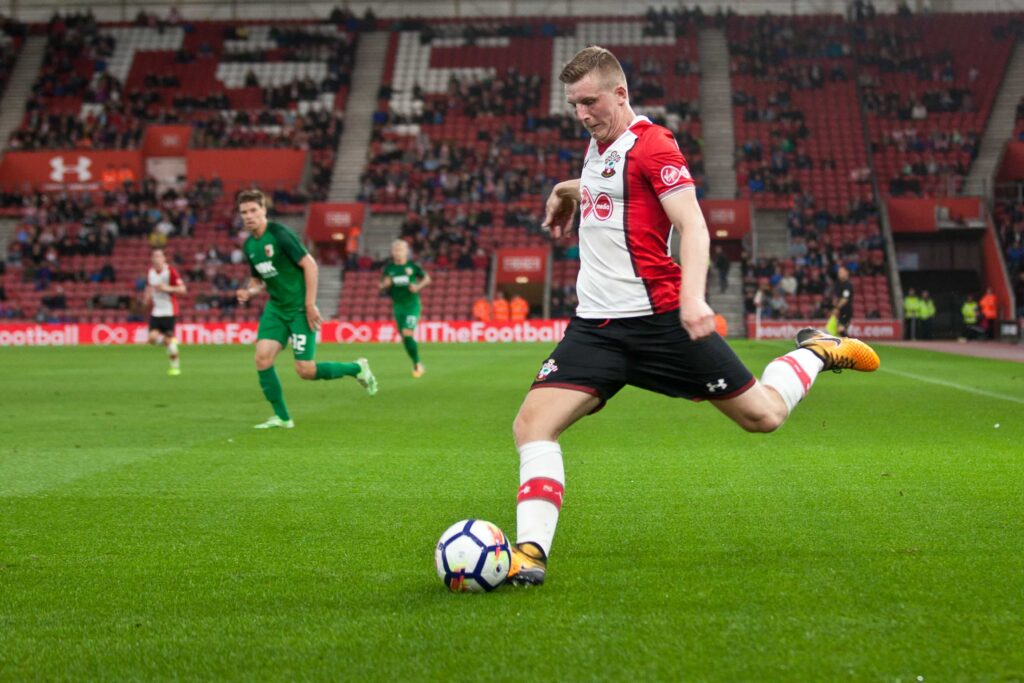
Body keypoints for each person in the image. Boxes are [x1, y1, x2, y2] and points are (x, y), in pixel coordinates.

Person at [505, 46, 880, 587]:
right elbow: (616, 189)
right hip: (596, 329)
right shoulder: (599, 143)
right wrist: (572, 190)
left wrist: (695, 297)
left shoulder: (654, 144)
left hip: (662, 321)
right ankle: (530, 556)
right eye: (573, 106)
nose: (582, 115)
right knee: (532, 424)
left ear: (620, 94)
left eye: (590, 102)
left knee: (763, 417)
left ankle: (815, 351)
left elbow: (694, 224)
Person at [235, 189, 377, 430]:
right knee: (262, 358)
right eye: (244, 212)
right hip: (277, 308)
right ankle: (282, 417)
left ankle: (357, 368)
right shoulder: (250, 245)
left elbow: (310, 265)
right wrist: (249, 291)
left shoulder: (279, 235)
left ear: (264, 211)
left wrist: (309, 304)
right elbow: (258, 279)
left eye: (253, 211)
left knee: (306, 370)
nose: (249, 216)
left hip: (300, 309)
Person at [380, 239, 431, 378]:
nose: (398, 253)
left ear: (406, 252)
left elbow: (427, 278)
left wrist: (418, 287)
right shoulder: (389, 269)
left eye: (401, 250)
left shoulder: (412, 266)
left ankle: (417, 363)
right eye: (396, 250)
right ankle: (417, 362)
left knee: (407, 332)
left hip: (412, 305)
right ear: (392, 252)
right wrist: (386, 284)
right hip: (398, 307)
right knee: (405, 338)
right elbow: (382, 285)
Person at [143, 248, 186, 376]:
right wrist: (147, 297)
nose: (156, 258)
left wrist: (167, 288)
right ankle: (170, 342)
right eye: (154, 256)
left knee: (168, 341)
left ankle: (175, 367)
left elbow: (183, 289)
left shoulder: (170, 272)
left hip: (169, 311)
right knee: (151, 339)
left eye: (159, 256)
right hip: (156, 311)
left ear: (164, 258)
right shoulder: (150, 272)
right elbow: (150, 288)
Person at [831, 266, 854, 336]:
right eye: (839, 272)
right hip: (841, 311)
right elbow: (836, 297)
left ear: (846, 273)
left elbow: (845, 299)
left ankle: (851, 344)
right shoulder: (838, 284)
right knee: (841, 330)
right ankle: (850, 344)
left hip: (846, 311)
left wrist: (837, 308)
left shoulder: (848, 285)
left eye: (841, 272)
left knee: (840, 329)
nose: (839, 274)